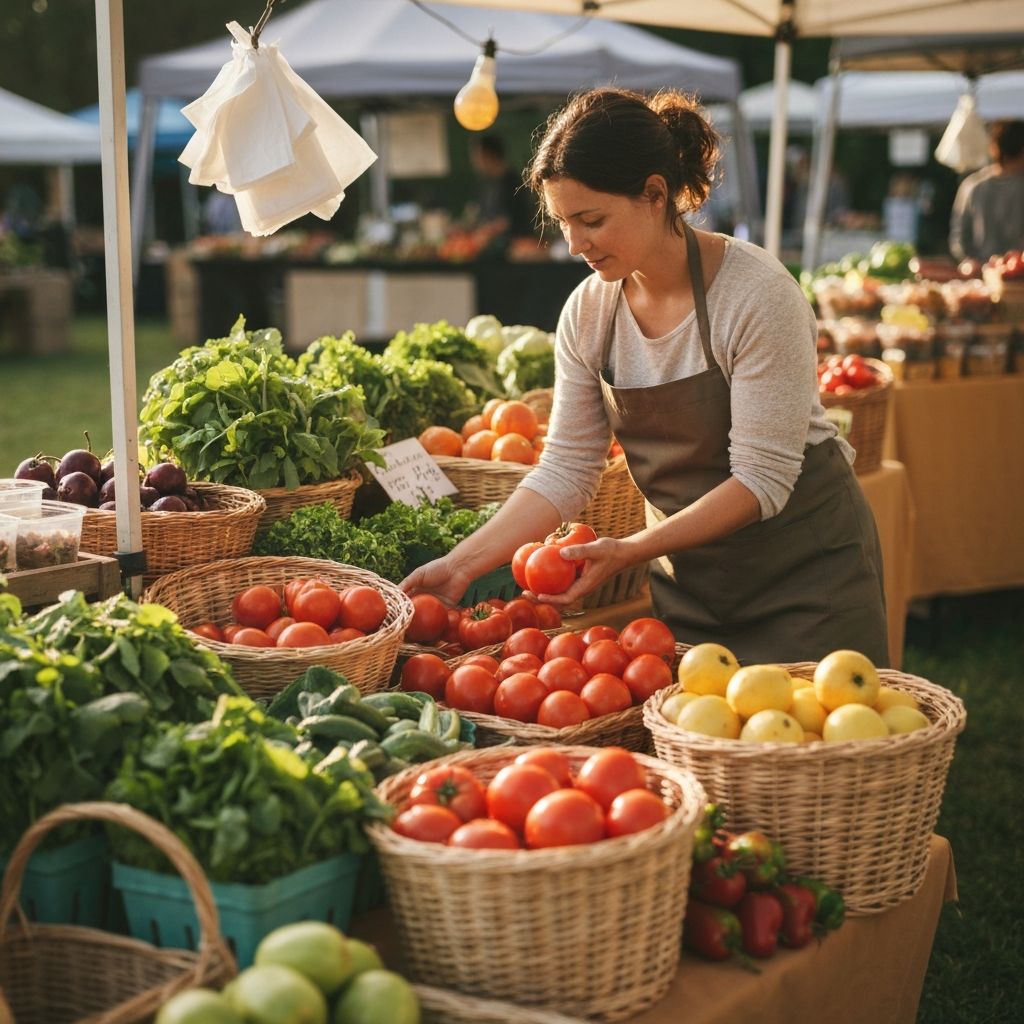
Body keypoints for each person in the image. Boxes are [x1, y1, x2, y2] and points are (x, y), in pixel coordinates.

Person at [404, 88, 888, 666]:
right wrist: (461, 565)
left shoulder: (757, 294)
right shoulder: (589, 313)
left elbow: (763, 478)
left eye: (592, 220)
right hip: (693, 588)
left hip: (808, 580)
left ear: (655, 194)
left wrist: (633, 549)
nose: (575, 244)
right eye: (563, 223)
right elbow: (566, 468)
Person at [949, 119, 1024, 263]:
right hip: (1013, 274)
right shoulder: (974, 186)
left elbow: (958, 237)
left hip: (983, 273)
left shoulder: (972, 185)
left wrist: (970, 261)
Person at [468, 134, 537, 246]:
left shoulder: (512, 182)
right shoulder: (487, 183)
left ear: (489, 155)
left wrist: (485, 232)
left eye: (477, 156)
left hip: (518, 247)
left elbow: (508, 220)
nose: (475, 161)